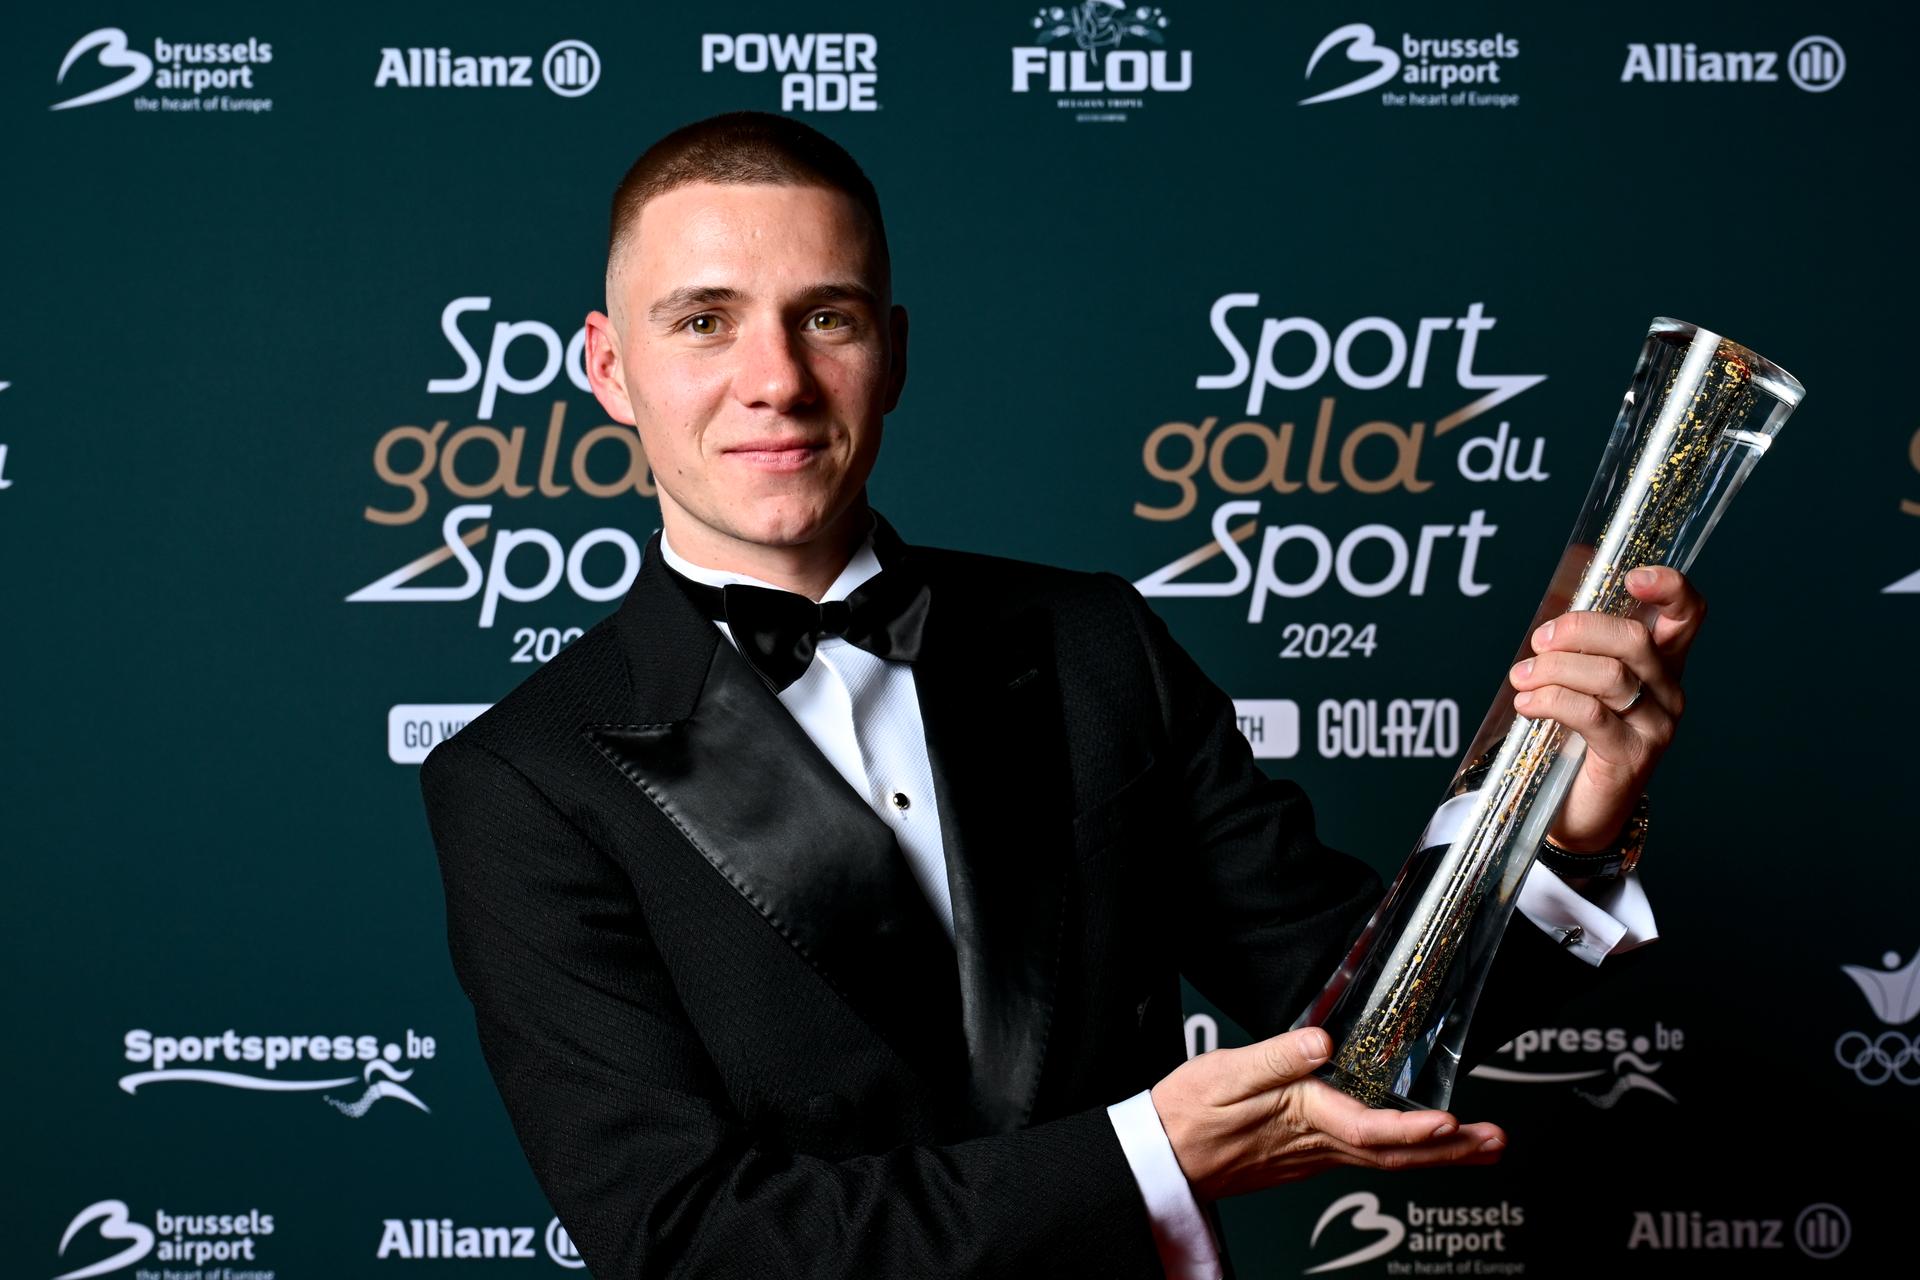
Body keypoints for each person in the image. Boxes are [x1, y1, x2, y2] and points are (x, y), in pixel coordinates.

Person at [419, 111, 1696, 1279]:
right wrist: (1146, 1156)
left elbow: (1365, 1029)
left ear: (893, 351)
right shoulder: (526, 778)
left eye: (828, 317)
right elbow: (685, 1240)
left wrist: (1567, 821)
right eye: (704, 321)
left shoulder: (1093, 642)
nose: (777, 380)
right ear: (610, 368)